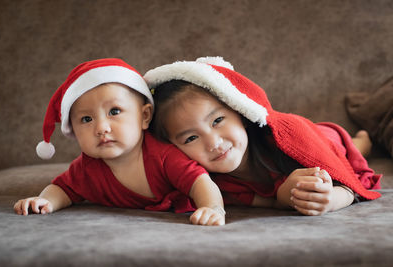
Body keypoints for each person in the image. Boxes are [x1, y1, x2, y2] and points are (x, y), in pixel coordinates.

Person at [144, 57, 382, 216]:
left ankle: (361, 142)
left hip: (321, 138)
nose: (213, 143)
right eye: (191, 138)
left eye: (218, 121)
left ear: (241, 111)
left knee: (351, 148)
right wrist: (283, 197)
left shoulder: (291, 138)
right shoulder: (212, 183)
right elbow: (267, 201)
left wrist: (330, 198)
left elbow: (350, 186)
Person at [13, 58, 225, 226]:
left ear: (144, 116)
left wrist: (212, 208)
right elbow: (64, 189)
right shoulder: (87, 168)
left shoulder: (162, 155)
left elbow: (199, 182)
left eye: (114, 111)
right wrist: (45, 201)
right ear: (74, 131)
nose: (101, 128)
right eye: (86, 119)